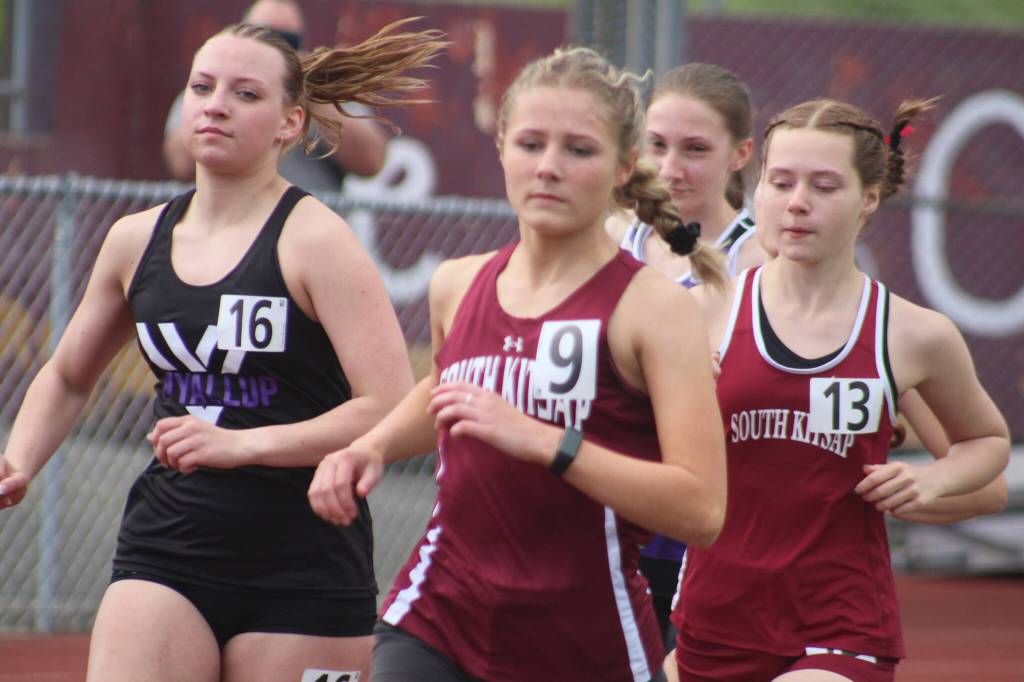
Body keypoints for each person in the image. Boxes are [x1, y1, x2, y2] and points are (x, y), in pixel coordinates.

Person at [0, 19, 446, 682]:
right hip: (168, 546)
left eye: (245, 93)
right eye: (201, 87)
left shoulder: (314, 241)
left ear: (290, 124)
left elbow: (388, 406)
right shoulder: (135, 240)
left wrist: (245, 445)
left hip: (302, 560)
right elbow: (67, 376)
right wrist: (19, 460)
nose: (214, 104)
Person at [307, 46, 728, 682]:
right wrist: (372, 445)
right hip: (438, 615)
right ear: (502, 147)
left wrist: (549, 443)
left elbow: (701, 510)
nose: (549, 168)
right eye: (531, 144)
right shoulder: (459, 282)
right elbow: (450, 389)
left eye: (579, 150)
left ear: (624, 166)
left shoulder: (654, 309)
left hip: (584, 640)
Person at [668, 97, 1010, 681]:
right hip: (716, 616)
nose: (797, 203)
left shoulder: (912, 333)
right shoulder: (698, 311)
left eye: (824, 186)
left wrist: (932, 479)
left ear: (868, 199)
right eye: (781, 182)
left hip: (841, 622)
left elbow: (986, 441)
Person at [606, 62, 768, 648]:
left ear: (740, 152)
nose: (671, 168)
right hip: (608, 522)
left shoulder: (759, 259)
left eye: (695, 148)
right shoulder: (612, 237)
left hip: (703, 537)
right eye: (657, 145)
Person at [163, 0, 389, 190]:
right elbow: (180, 165)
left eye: (286, 41)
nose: (275, 46)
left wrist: (307, 89)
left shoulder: (325, 97)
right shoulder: (209, 92)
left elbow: (372, 162)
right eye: (263, 35)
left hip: (302, 226)